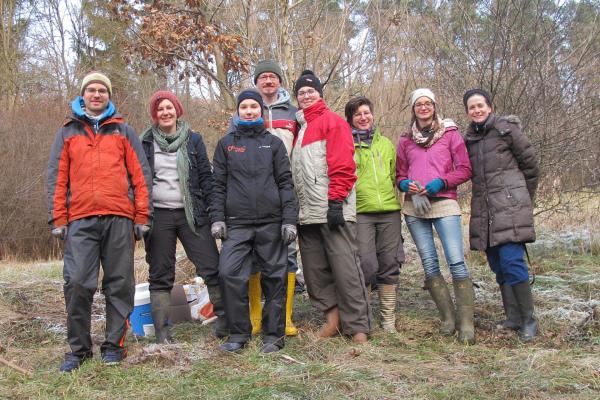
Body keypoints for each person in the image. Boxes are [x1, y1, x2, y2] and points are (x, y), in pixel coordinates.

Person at [47, 71, 153, 372]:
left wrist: (142, 215)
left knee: (119, 283)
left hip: (119, 217)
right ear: (83, 96)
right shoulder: (67, 132)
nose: (96, 95)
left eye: (102, 91)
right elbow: (57, 177)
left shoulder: (123, 130)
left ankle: (114, 345)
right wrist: (58, 217)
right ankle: (79, 350)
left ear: (108, 96)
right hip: (80, 219)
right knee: (78, 282)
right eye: (91, 90)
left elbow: (140, 175)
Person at [211, 88, 297, 353]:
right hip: (236, 224)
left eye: (254, 107)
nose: (249, 111)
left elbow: (285, 183)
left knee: (275, 277)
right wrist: (217, 218)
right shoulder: (226, 144)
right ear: (238, 111)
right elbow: (218, 185)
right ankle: (239, 334)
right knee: (228, 273)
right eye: (244, 107)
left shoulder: (273, 144)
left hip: (271, 223)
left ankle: (273, 336)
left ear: (261, 111)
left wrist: (289, 220)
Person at [291, 70, 371, 343]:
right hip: (307, 213)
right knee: (314, 272)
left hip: (332, 209)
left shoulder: (332, 122)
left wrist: (336, 201)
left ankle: (358, 327)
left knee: (345, 268)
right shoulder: (299, 130)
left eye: (310, 91)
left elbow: (343, 165)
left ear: (320, 94)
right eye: (300, 92)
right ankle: (332, 320)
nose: (305, 95)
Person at [139, 90, 224, 343]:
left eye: (169, 108)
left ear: (177, 110)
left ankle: (226, 321)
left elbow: (206, 179)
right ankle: (163, 334)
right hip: (159, 217)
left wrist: (215, 213)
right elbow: (139, 182)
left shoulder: (193, 140)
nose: (165, 112)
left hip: (194, 215)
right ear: (155, 115)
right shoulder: (145, 142)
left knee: (212, 267)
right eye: (160, 109)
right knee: (160, 273)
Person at [396, 88, 474, 344]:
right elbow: (400, 174)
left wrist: (441, 182)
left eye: (428, 103)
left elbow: (464, 169)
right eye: (419, 104)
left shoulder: (450, 134)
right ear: (413, 109)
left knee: (456, 262)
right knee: (429, 264)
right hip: (415, 207)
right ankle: (448, 318)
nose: (424, 107)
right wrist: (405, 185)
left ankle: (466, 323)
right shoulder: (406, 139)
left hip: (444, 203)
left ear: (434, 106)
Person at [463, 88, 539, 342]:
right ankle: (513, 318)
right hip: (485, 210)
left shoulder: (507, 130)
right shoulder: (470, 139)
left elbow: (530, 165)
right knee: (497, 263)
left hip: (511, 207)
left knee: (512, 261)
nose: (477, 110)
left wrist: (521, 197)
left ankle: (529, 320)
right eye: (472, 107)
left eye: (480, 105)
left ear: (489, 107)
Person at [247, 60, 300, 337]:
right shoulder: (246, 111)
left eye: (272, 77)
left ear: (280, 82)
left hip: (285, 191)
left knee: (288, 253)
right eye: (263, 77)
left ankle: (286, 318)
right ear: (256, 83)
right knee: (254, 254)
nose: (268, 81)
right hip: (253, 196)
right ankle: (255, 318)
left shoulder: (294, 114)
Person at [344, 96, 404, 333]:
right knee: (366, 264)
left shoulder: (386, 144)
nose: (363, 117)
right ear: (350, 119)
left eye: (366, 112)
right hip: (362, 212)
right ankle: (364, 316)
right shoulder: (346, 144)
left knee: (389, 263)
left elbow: (394, 175)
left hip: (389, 211)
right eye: (357, 114)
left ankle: (388, 320)